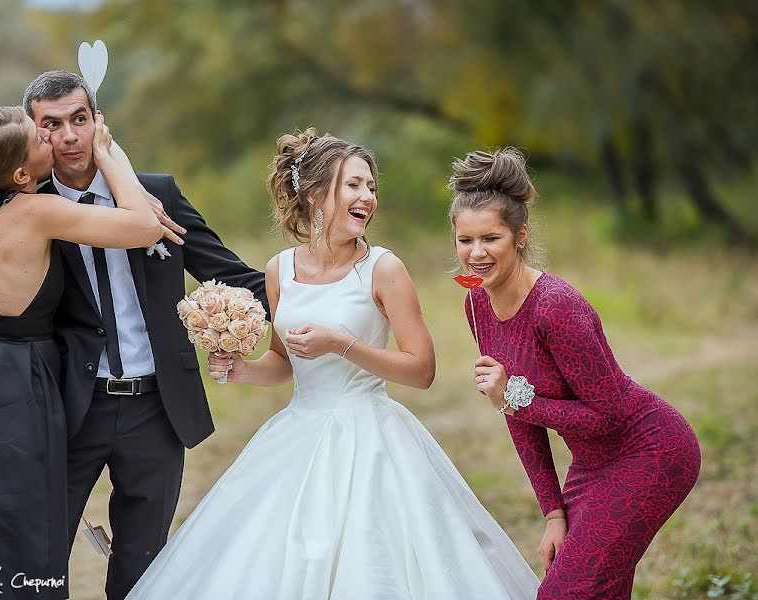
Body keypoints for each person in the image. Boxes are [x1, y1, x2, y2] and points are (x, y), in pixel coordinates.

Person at [125, 128, 540, 599]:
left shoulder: (384, 268)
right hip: (298, 433)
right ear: (317, 194)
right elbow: (284, 363)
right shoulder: (280, 269)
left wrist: (343, 345)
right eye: (354, 185)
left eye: (371, 187)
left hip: (372, 435)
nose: (368, 197)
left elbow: (422, 370)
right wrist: (241, 368)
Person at [0, 106, 164, 599]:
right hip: (19, 379)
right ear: (21, 174)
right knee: (25, 528)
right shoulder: (36, 210)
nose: (50, 137)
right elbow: (145, 226)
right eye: (39, 137)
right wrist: (107, 151)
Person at [21, 70, 268, 600]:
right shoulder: (29, 209)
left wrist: (316, 298)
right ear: (33, 132)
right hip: (69, 406)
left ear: (98, 123)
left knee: (143, 568)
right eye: (52, 125)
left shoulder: (157, 195)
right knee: (38, 557)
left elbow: (231, 273)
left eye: (79, 120)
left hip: (156, 406)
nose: (68, 136)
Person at [450, 148, 701, 599]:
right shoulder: (476, 305)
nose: (476, 254)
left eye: (491, 238)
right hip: (591, 465)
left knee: (566, 593)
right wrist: (554, 514)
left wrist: (516, 399)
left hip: (651, 450)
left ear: (520, 235)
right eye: (465, 240)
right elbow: (520, 418)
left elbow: (611, 415)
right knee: (596, 590)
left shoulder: (556, 306)